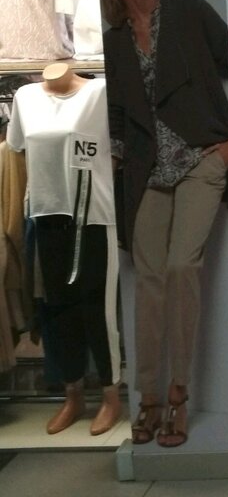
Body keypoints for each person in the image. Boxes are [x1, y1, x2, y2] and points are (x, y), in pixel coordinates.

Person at [99, 0, 228, 448]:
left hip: (201, 159)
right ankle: (147, 397)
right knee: (149, 281)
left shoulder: (190, 13)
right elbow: (116, 113)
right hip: (147, 170)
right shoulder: (114, 41)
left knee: (182, 268)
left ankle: (179, 392)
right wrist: (116, 165)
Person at [6, 62, 121, 436]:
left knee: (98, 311)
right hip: (46, 214)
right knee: (58, 310)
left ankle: (110, 395)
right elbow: (18, 147)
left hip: (94, 216)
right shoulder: (25, 97)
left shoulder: (100, 93)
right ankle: (73, 395)